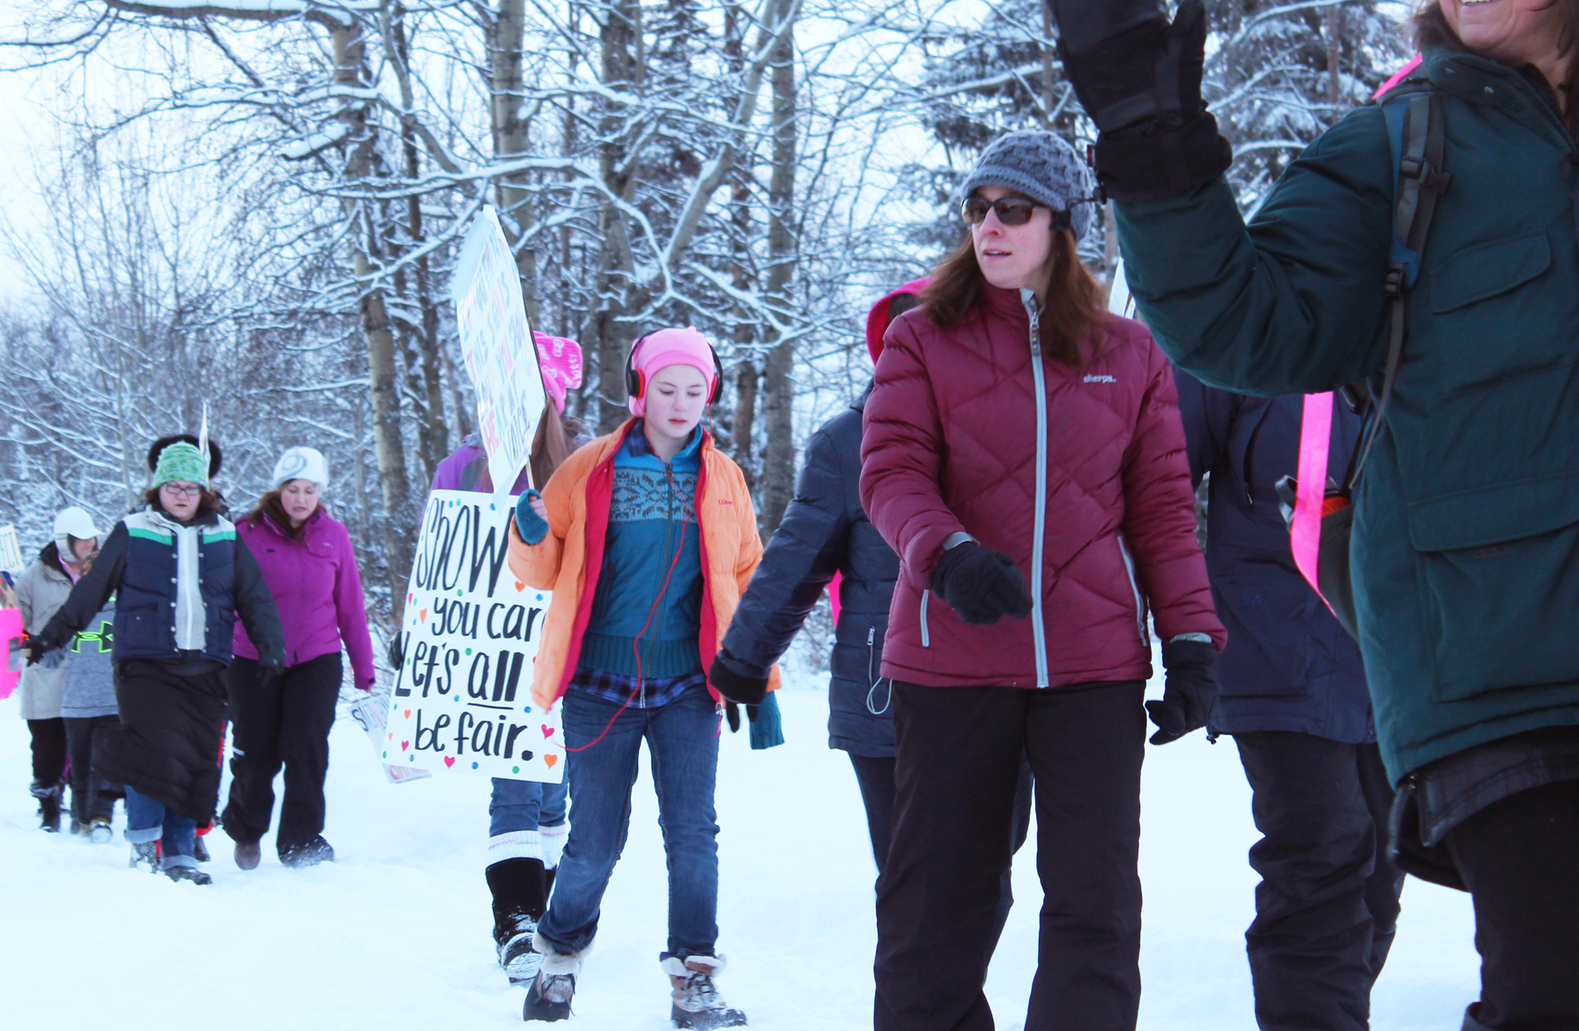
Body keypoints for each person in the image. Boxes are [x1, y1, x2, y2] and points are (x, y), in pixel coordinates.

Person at [1049, 0, 1579, 1031]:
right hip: (1478, 639)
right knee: (1548, 991)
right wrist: (1152, 153)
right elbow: (1245, 327)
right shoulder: (1399, 145)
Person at [857, 128, 1225, 1031]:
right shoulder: (920, 341)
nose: (989, 224)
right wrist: (945, 554)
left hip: (1093, 668)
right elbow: (890, 474)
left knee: (1095, 909)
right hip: (952, 662)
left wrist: (1190, 637)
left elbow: (1164, 511)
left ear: (1064, 227)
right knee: (937, 910)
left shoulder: (1130, 355)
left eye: (1012, 208)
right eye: (978, 207)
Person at [709, 279, 1038, 931]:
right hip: (889, 697)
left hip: (998, 694)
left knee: (988, 878)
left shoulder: (1013, 432)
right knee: (914, 882)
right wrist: (744, 657)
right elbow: (795, 559)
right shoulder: (845, 442)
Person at [507, 326, 769, 1027]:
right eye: (666, 387)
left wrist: (760, 679)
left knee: (693, 832)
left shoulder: (724, 479)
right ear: (639, 390)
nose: (681, 402)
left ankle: (695, 977)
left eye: (694, 389)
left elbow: (746, 576)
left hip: (688, 684)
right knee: (595, 838)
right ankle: (558, 958)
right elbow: (540, 564)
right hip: (600, 684)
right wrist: (529, 533)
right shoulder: (591, 466)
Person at [1173, 371, 1403, 1031]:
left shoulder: (1421, 311)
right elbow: (1156, 480)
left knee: (1380, 877)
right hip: (1273, 636)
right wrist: (1172, 622)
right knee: (1321, 850)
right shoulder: (1250, 323)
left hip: (1398, 644)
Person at [29, 434, 287, 885]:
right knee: (149, 757)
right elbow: (90, 593)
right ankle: (146, 847)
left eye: (191, 488)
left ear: (204, 491)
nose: (182, 496)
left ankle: (181, 851)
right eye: (173, 487)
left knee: (196, 759)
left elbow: (255, 597)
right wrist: (50, 637)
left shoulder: (225, 535)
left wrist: (271, 647)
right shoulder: (133, 531)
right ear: (157, 489)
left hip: (207, 665)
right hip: (144, 664)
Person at [430, 332, 585, 984]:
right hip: (496, 652)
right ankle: (516, 921)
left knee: (554, 793)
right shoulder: (463, 467)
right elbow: (439, 558)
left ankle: (545, 911)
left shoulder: (582, 466)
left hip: (563, 649)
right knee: (515, 788)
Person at [224, 445, 376, 870]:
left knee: (306, 748)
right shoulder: (245, 533)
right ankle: (247, 827)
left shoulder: (334, 536)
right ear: (279, 490)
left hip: (316, 657)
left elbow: (349, 605)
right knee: (256, 751)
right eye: (293, 489)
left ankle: (300, 840)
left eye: (311, 489)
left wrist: (364, 666)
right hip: (253, 657)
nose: (302, 498)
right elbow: (225, 598)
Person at [15, 507, 100, 830]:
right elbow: (15, 623)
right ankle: (49, 803)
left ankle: (86, 806)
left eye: (91, 538)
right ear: (65, 542)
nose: (89, 545)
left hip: (89, 673)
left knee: (86, 745)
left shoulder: (100, 571)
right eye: (81, 540)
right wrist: (28, 642)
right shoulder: (34, 577)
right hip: (47, 674)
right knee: (47, 744)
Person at [59, 559, 124, 841]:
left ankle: (100, 817)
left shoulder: (125, 610)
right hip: (76, 701)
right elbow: (51, 652)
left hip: (112, 701)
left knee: (104, 762)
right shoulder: (71, 612)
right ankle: (81, 817)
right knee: (80, 764)